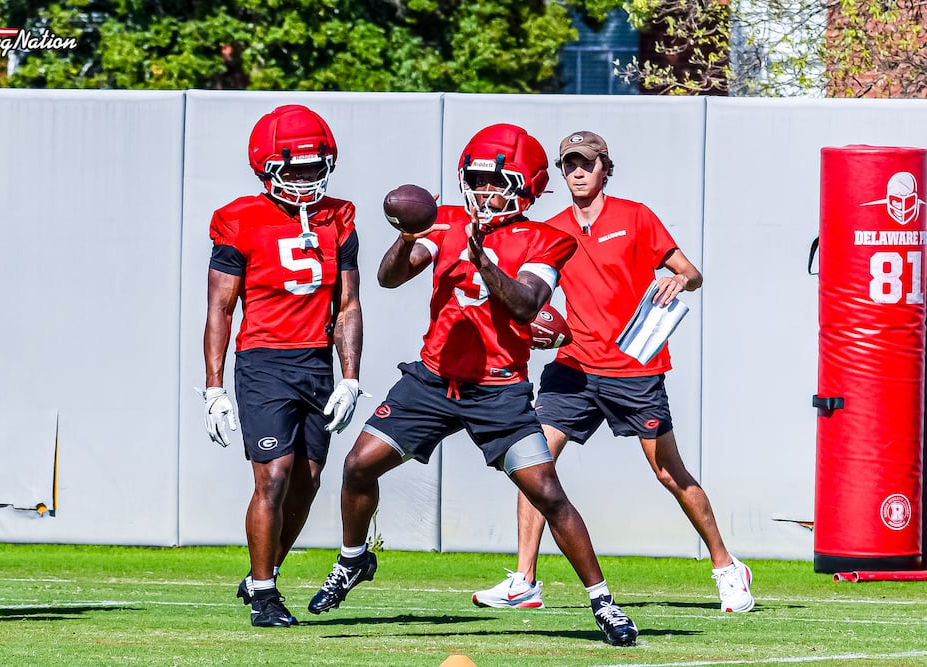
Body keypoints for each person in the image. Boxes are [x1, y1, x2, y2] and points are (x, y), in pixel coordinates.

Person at [308, 124, 639, 647]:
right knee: (357, 464)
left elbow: (528, 303)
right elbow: (388, 277)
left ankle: (604, 604)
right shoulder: (448, 224)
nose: (486, 192)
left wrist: (482, 259)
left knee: (549, 494)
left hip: (499, 390)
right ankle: (352, 560)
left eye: (498, 182)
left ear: (527, 187)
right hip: (433, 379)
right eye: (479, 181)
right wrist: (408, 234)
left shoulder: (546, 238)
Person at [471, 130, 754, 614]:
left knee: (668, 471)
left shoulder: (636, 217)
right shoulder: (551, 228)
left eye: (587, 162)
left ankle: (727, 566)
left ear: (605, 167)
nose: (577, 171)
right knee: (531, 467)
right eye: (569, 164)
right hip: (573, 369)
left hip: (634, 368)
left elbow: (692, 273)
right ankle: (524, 580)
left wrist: (678, 278)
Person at [201, 104, 364, 628]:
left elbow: (349, 305)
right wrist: (213, 387)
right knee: (272, 475)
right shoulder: (238, 218)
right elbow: (220, 309)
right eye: (292, 167)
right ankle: (266, 595)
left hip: (316, 361)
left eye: (314, 167)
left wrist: (351, 377)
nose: (304, 178)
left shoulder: (340, 217)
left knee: (309, 479)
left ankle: (261, 572)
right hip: (263, 360)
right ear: (266, 165)